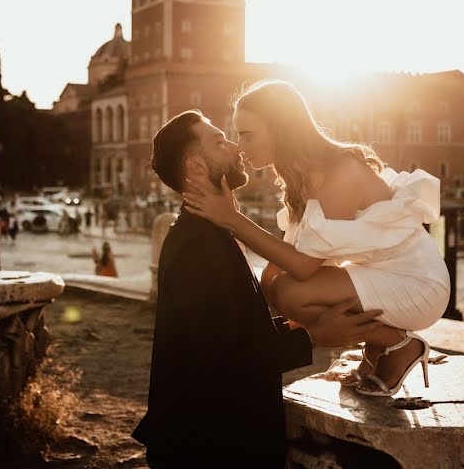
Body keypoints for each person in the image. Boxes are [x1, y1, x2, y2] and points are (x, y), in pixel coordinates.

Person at [133, 110, 386, 468]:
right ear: (196, 167)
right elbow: (225, 357)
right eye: (219, 141)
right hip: (208, 448)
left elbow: (235, 332)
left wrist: (300, 325)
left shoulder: (207, 232)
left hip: (215, 438)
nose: (235, 146)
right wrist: (314, 336)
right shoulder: (195, 247)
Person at [182, 80, 450, 397]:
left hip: (419, 284)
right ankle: (381, 347)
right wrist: (255, 320)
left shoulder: (340, 172)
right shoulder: (301, 178)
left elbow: (304, 267)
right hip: (385, 276)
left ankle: (396, 344)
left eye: (247, 134)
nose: (240, 145)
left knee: (292, 293)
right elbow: (274, 270)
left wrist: (232, 219)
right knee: (277, 287)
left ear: (280, 128)